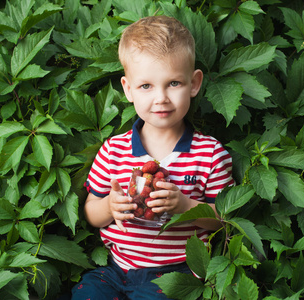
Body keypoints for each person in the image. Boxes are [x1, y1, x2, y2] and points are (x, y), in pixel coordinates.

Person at [71, 15, 234, 300]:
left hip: (178, 273)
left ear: (194, 83)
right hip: (117, 269)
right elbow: (90, 212)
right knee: (86, 294)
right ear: (128, 89)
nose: (160, 98)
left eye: (173, 83)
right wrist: (110, 206)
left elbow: (224, 220)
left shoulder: (209, 154)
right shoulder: (113, 150)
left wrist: (185, 206)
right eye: (146, 86)